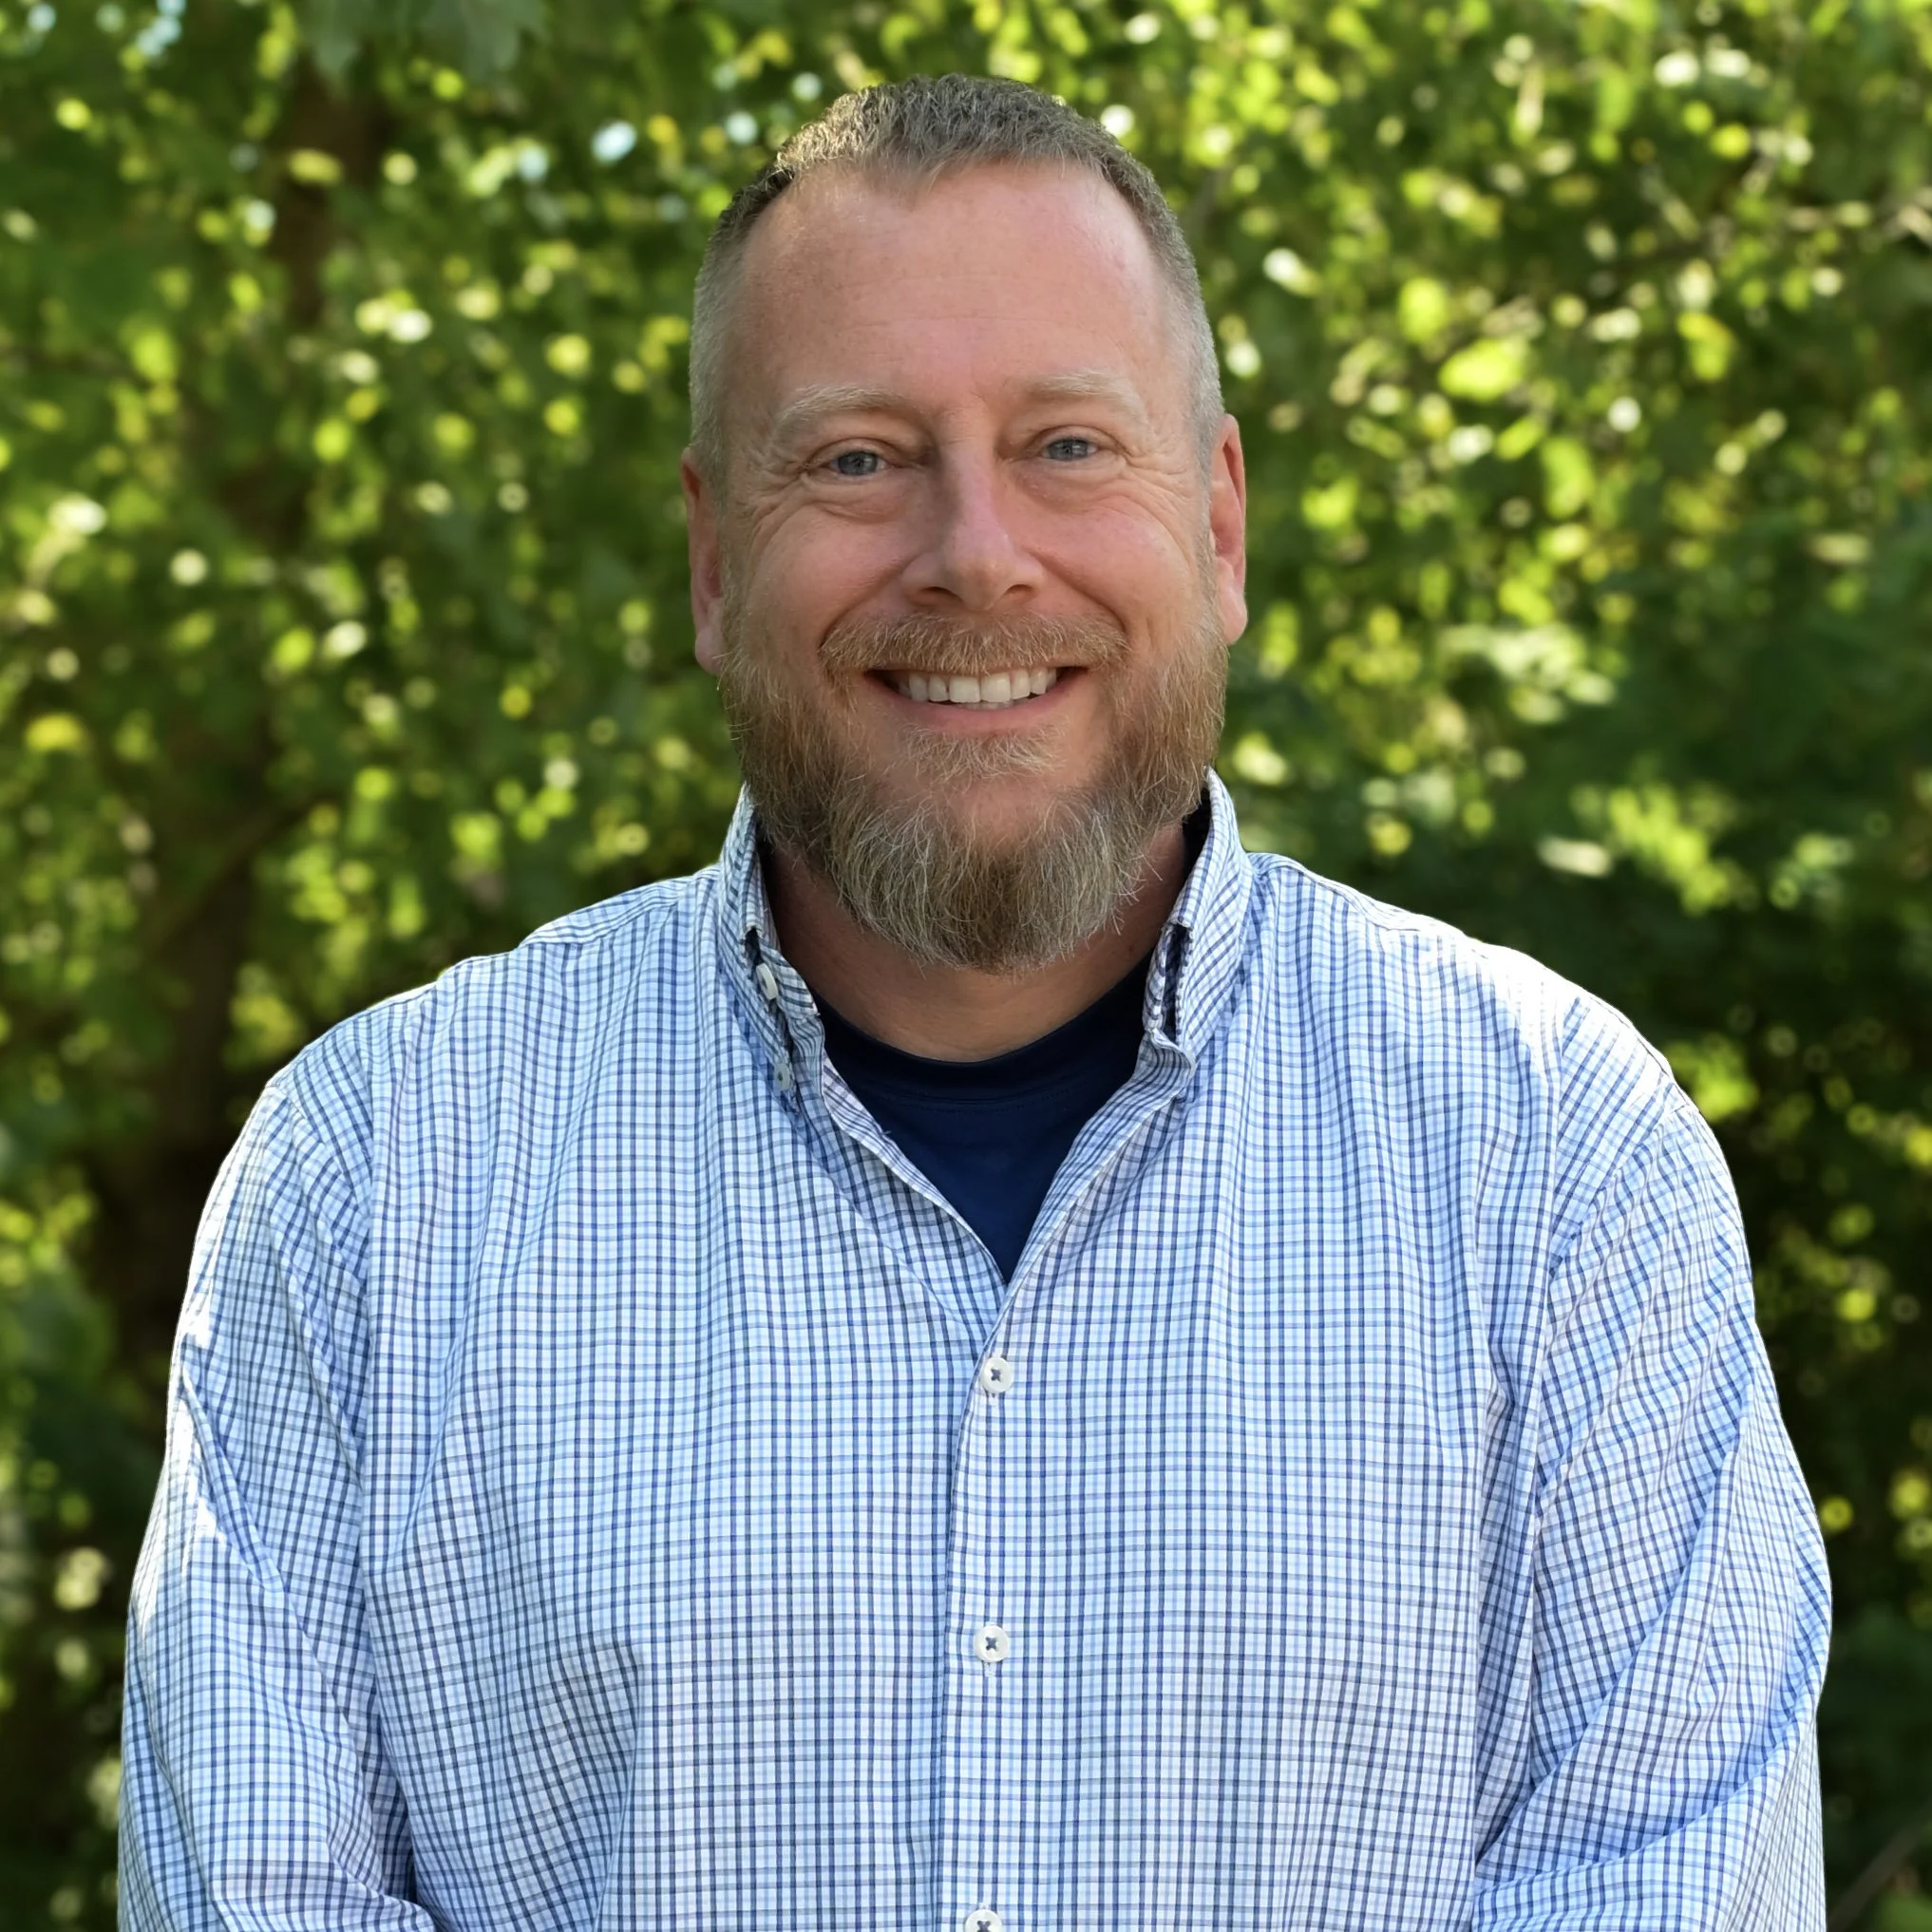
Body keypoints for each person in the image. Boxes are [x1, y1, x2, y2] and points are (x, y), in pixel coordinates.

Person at [120, 74, 1829, 1930]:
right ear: (711, 561)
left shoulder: (1559, 1165)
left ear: (1225, 525)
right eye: (857, 457)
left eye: (1071, 447)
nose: (979, 552)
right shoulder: (374, 1185)